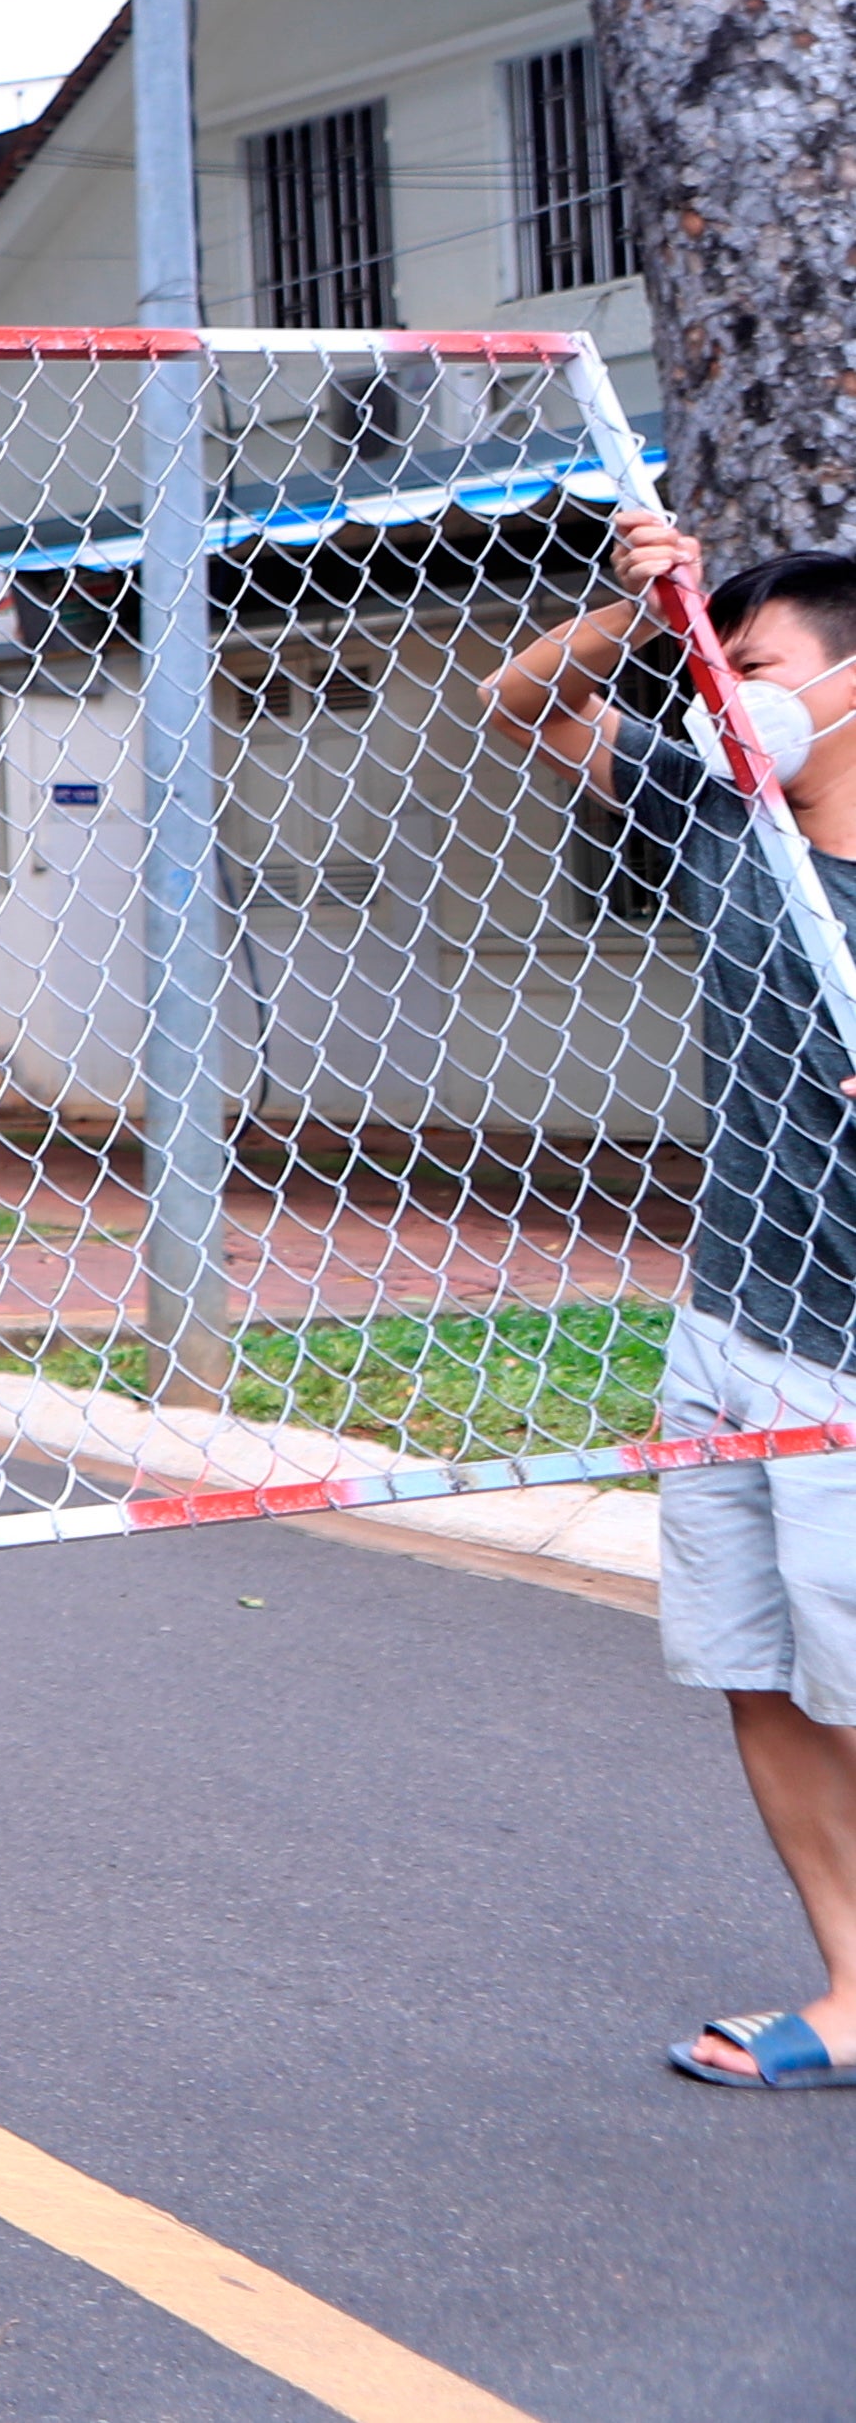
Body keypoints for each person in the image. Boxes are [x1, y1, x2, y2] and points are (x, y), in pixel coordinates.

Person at [487, 508, 856, 2093]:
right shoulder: (725, 815)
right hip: (728, 1327)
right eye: (710, 671)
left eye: (752, 665)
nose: (721, 697)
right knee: (756, 1668)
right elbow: (522, 705)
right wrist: (647, 612)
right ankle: (854, 1990)